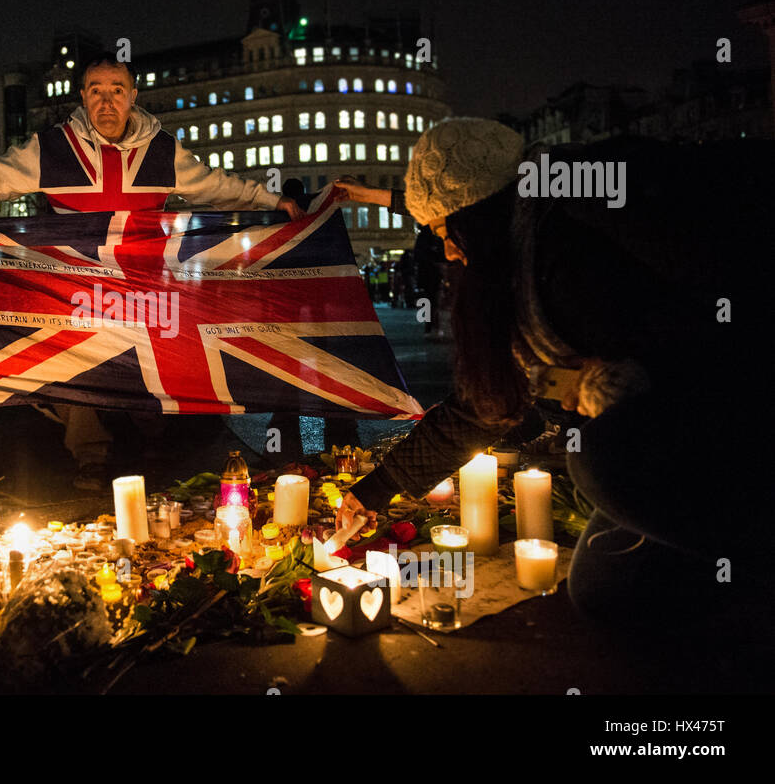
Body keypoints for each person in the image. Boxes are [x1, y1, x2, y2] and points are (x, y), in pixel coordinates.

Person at [329, 117, 771, 625]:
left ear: (472, 220)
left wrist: (618, 382)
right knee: (602, 590)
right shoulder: (522, 229)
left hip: (739, 425)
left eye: (443, 233)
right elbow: (484, 407)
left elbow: (718, 344)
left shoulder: (572, 250)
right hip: (686, 433)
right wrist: (373, 491)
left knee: (600, 461)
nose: (447, 252)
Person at [0, 54, 303, 492]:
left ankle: (156, 437)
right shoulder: (53, 147)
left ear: (132, 96)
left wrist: (271, 202)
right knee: (68, 357)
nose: (106, 101)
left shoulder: (163, 151)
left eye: (116, 90)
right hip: (74, 293)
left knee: (164, 352)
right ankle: (89, 453)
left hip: (143, 292)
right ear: (83, 97)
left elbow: (219, 187)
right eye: (96, 90)